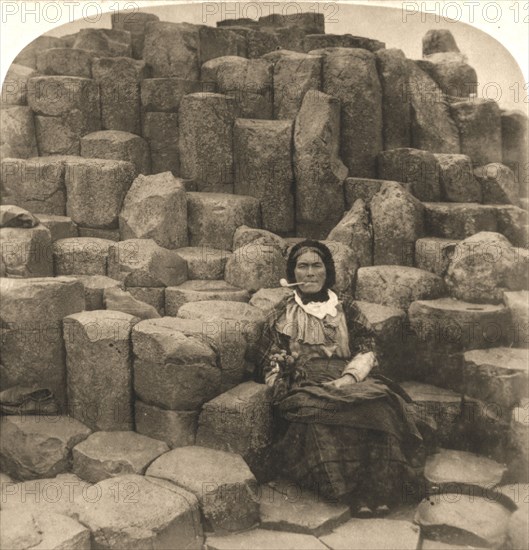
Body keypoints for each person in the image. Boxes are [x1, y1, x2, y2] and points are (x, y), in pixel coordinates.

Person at [257, 240, 432, 514]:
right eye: (303, 266)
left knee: (379, 407)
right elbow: (270, 360)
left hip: (348, 377)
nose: (311, 273)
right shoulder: (281, 313)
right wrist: (284, 376)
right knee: (319, 416)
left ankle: (381, 489)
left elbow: (369, 347)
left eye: (317, 265)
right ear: (293, 273)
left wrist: (349, 378)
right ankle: (348, 492)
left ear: (328, 271)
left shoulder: (346, 307)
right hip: (305, 384)